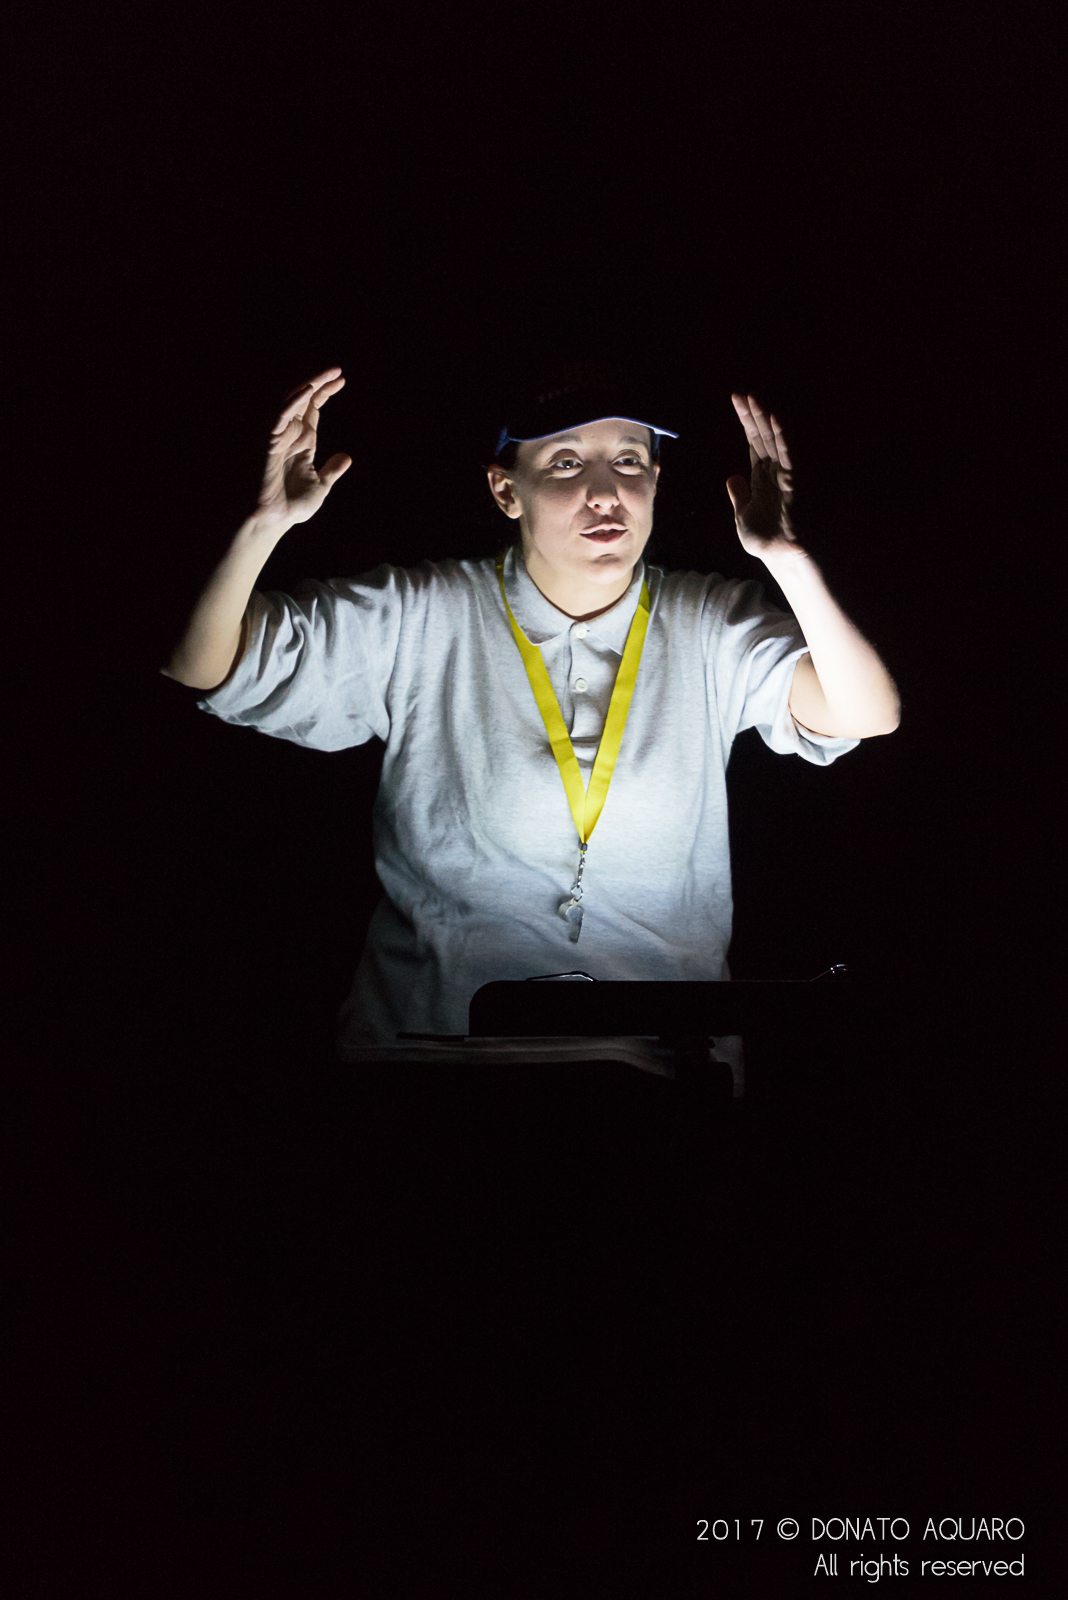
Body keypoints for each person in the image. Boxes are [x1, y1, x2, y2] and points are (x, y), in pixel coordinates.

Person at [161, 363, 900, 1094]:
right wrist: (264, 526)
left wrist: (787, 559)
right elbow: (202, 665)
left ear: (655, 482)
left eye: (629, 462)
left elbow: (868, 713)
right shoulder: (421, 612)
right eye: (566, 463)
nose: (606, 492)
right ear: (505, 490)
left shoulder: (710, 620)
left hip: (659, 1062)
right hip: (432, 1055)